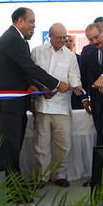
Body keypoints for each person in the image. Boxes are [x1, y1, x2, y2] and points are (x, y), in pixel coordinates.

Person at [0, 7, 69, 174]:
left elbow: (22, 72)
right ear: (19, 21)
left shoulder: (19, 40)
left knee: (13, 149)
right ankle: (13, 193)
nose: (34, 25)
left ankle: (15, 190)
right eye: (31, 21)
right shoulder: (13, 39)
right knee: (8, 151)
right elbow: (30, 67)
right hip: (6, 106)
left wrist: (40, 88)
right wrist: (56, 84)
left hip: (14, 106)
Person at [31, 23, 82, 187]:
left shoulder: (70, 56)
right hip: (41, 105)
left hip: (61, 106)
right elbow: (31, 74)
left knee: (64, 144)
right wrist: (40, 88)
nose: (62, 40)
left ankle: (59, 174)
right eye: (58, 37)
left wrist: (77, 87)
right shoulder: (37, 51)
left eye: (64, 37)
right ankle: (42, 177)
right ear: (50, 36)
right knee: (41, 145)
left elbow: (74, 76)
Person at [65, 34, 84, 110]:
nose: (68, 43)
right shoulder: (57, 60)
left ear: (74, 44)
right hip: (62, 95)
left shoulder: (80, 59)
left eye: (70, 41)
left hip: (77, 96)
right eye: (66, 41)